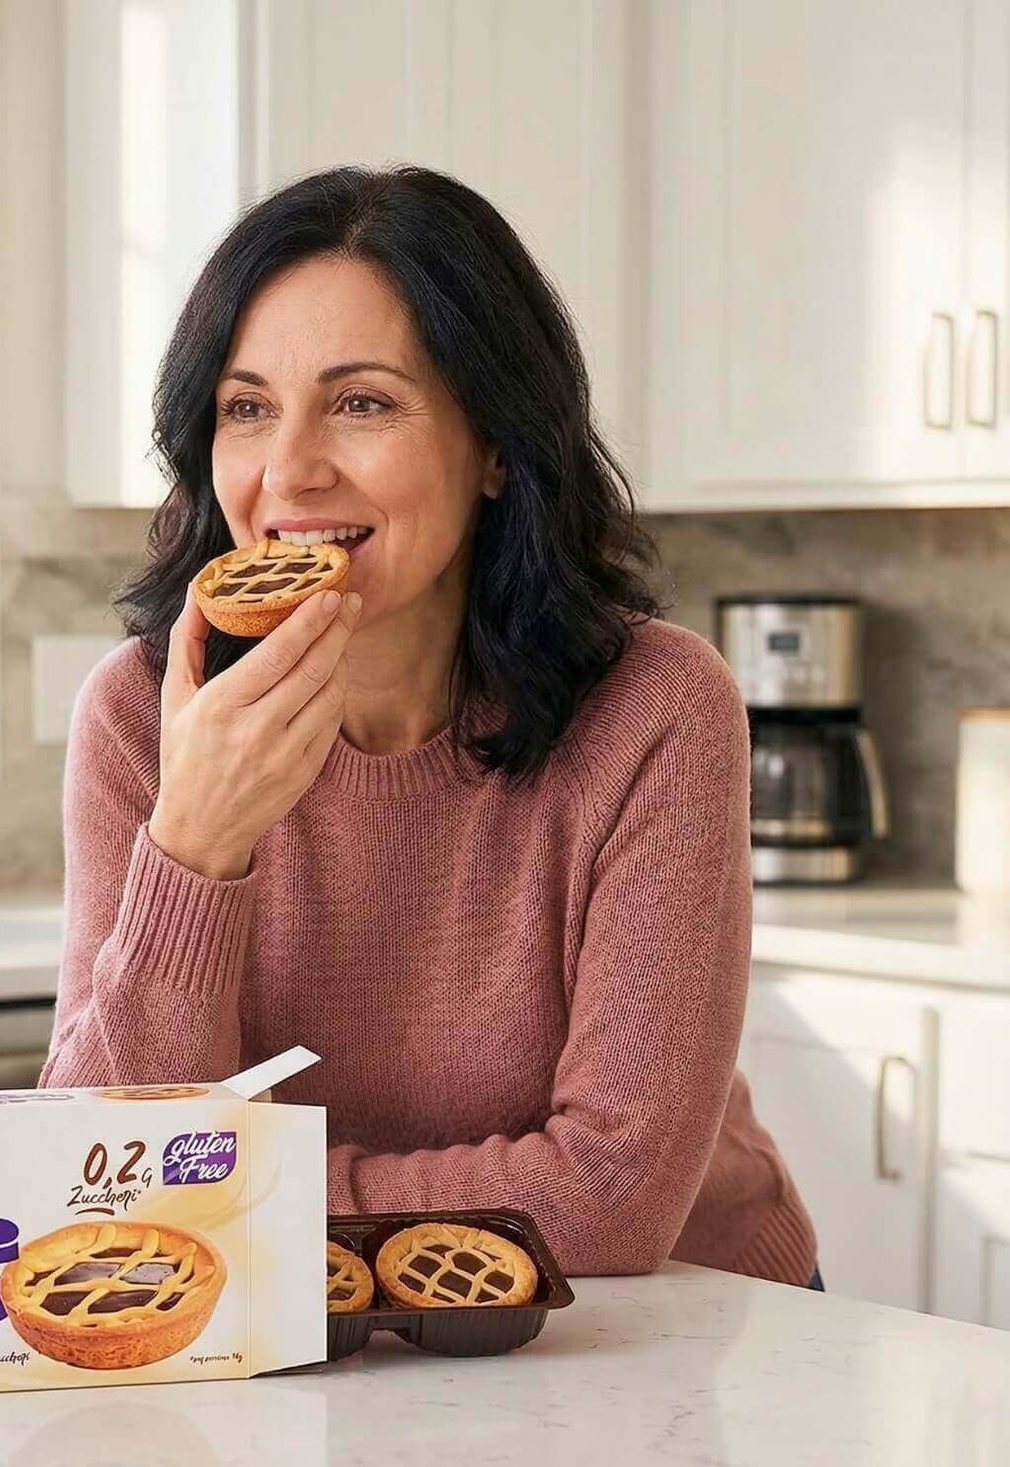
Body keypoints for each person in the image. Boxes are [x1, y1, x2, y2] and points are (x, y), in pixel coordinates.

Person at [40, 165, 819, 1286]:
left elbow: (609, 1205)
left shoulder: (655, 709)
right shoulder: (144, 714)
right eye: (246, 408)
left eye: (363, 403)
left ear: (497, 445)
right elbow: (90, 1176)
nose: (289, 472)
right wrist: (194, 847)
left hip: (684, 1333)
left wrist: (233, 1201)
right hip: (330, 1335)